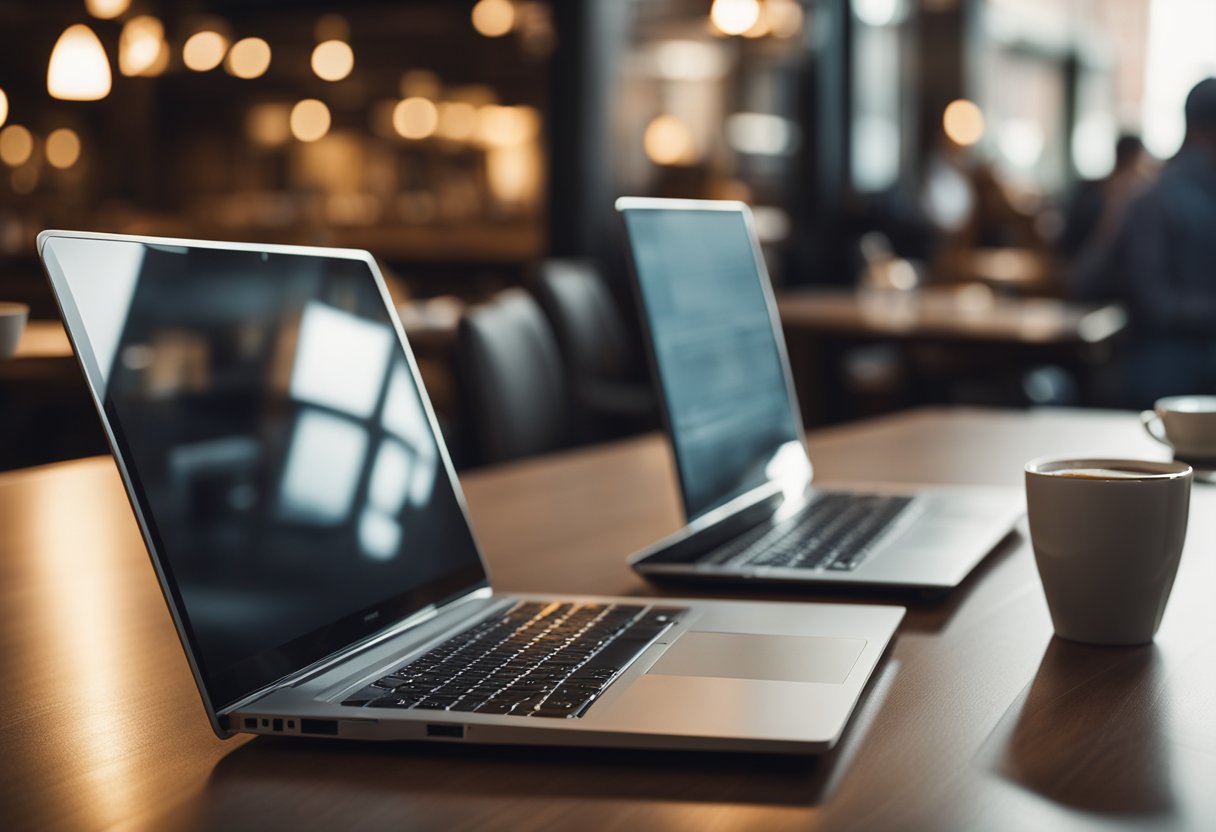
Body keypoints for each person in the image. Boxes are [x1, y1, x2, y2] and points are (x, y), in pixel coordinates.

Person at [1073, 78, 1216, 407]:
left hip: (1160, 382)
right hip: (1177, 376)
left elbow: (1082, 283)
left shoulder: (1149, 198)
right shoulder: (1156, 197)